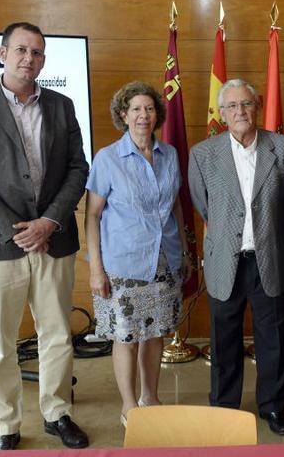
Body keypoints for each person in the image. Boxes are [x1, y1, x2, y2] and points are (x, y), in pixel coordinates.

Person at [0, 22, 89, 450]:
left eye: (38, 53)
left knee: (57, 335)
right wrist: (18, 232)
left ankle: (57, 412)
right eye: (22, 50)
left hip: (54, 240)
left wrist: (49, 221)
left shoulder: (62, 106)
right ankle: (5, 424)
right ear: (2, 53)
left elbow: (77, 169)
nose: (30, 59)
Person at [188, 79, 284, 436]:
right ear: (222, 113)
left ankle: (273, 407)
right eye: (232, 106)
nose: (239, 112)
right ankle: (224, 406)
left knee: (274, 340)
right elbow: (204, 206)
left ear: (258, 106)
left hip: (269, 258)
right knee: (224, 340)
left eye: (246, 104)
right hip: (226, 260)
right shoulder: (203, 154)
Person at [85, 81, 190, 429]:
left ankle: (151, 396)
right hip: (124, 264)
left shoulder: (170, 154)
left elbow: (174, 203)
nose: (143, 115)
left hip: (165, 260)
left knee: (156, 333)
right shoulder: (108, 158)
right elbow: (93, 215)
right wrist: (96, 269)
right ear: (123, 115)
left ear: (157, 114)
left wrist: (185, 250)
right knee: (126, 337)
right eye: (136, 109)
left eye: (149, 109)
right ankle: (130, 405)